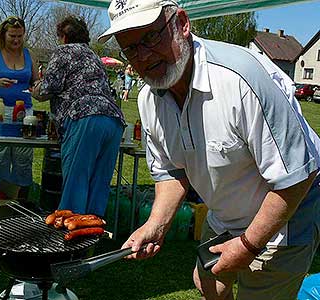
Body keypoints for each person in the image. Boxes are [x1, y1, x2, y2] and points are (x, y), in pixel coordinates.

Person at [99, 0, 320, 299]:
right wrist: (155, 224)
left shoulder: (238, 79)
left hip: (288, 210)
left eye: (150, 37)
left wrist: (248, 245)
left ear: (182, 23)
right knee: (207, 282)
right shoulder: (149, 99)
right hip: (227, 213)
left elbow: (297, 176)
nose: (143, 56)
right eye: (130, 48)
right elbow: (170, 172)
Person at [32, 16, 125, 217]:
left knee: (76, 184)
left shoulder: (63, 52)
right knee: (99, 187)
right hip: (113, 120)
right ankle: (91, 240)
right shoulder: (93, 56)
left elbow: (47, 89)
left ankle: (70, 242)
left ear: (63, 37)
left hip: (85, 118)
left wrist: (35, 89)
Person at [0, 16, 38, 199]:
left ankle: (20, 199)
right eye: (12, 36)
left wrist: (37, 87)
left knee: (23, 156)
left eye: (20, 36)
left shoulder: (28, 55)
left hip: (24, 112)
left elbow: (36, 81)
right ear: (3, 34)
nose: (16, 40)